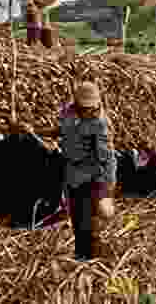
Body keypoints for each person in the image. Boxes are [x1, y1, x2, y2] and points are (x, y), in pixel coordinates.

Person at [34, 81, 117, 261]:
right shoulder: (68, 114)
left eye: (91, 108)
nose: (88, 111)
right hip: (72, 174)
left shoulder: (100, 124)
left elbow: (107, 157)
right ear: (77, 104)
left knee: (89, 219)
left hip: (91, 176)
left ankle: (91, 256)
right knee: (76, 217)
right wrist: (38, 131)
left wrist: (108, 186)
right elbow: (61, 131)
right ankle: (81, 252)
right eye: (84, 107)